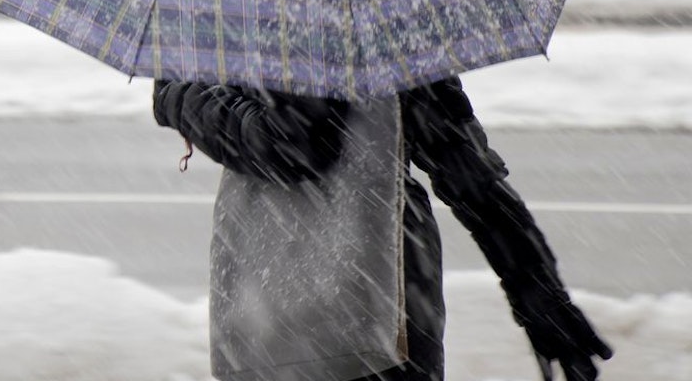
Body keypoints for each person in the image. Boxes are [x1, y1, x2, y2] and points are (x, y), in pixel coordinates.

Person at [153, 77, 613, 381]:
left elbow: (292, 141)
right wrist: (536, 289)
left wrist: (181, 95)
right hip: (392, 302)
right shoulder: (383, 5)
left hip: (299, 315)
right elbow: (464, 165)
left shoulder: (258, 2)